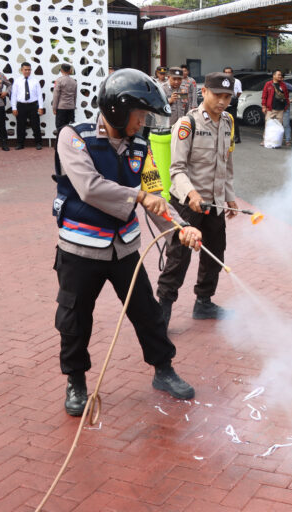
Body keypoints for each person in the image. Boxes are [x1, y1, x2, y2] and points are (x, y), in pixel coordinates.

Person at [53, 68, 203, 416]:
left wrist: (180, 228)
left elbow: (154, 195)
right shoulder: (74, 137)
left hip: (124, 250)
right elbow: (89, 187)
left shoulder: (141, 144)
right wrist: (137, 197)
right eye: (140, 115)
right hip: (81, 248)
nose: (142, 122)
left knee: (147, 313)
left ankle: (163, 369)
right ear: (119, 109)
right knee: (75, 318)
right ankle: (76, 381)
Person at [157, 72, 238, 322]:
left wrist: (230, 196)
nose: (222, 101)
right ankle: (163, 311)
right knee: (178, 259)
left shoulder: (227, 122)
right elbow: (177, 169)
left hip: (213, 204)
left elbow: (226, 163)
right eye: (217, 95)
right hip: (186, 204)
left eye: (227, 97)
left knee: (215, 253)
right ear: (204, 92)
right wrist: (191, 193)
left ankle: (204, 303)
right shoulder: (186, 124)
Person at [10, 62, 44, 150]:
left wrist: (40, 107)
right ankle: (20, 143)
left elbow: (39, 95)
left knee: (35, 125)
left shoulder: (35, 81)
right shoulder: (17, 81)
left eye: (29, 70)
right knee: (20, 125)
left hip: (33, 106)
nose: (27, 71)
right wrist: (14, 107)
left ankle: (38, 143)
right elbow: (13, 95)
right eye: (25, 70)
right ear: (22, 70)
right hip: (21, 106)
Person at [52, 63, 78, 132]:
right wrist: (74, 106)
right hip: (71, 108)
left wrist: (54, 108)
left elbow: (56, 95)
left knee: (60, 128)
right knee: (70, 129)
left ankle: (60, 142)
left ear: (61, 70)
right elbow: (75, 96)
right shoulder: (74, 81)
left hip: (61, 108)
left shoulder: (59, 81)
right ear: (70, 71)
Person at [223, 66, 242, 144]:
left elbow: (239, 92)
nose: (227, 74)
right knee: (223, 119)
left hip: (232, 101)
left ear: (232, 73)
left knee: (233, 119)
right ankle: (224, 136)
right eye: (226, 72)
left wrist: (234, 99)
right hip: (223, 101)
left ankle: (237, 137)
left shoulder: (236, 81)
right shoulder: (222, 80)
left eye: (229, 72)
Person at [279, 72, 292, 147]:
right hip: (275, 108)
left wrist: (291, 100)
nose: (279, 78)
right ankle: (275, 139)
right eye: (278, 76)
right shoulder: (271, 84)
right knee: (274, 124)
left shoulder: (286, 85)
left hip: (285, 108)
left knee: (286, 124)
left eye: (281, 77)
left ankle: (287, 140)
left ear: (283, 78)